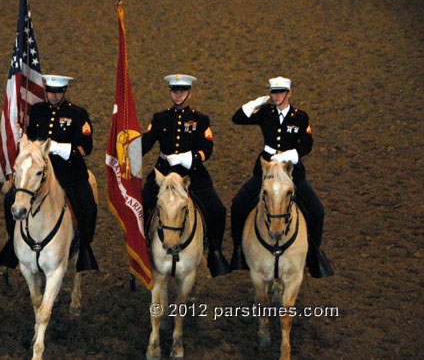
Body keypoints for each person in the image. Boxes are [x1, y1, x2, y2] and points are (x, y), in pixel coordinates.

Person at [229, 76, 333, 278]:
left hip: (291, 172)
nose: (276, 97)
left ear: (289, 94)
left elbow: (307, 144)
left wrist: (289, 155)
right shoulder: (265, 112)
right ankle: (239, 251)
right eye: (273, 93)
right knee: (238, 205)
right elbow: (237, 118)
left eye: (280, 93)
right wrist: (254, 104)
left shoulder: (300, 117)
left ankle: (313, 255)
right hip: (266, 170)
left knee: (317, 211)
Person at [0, 75, 99, 272]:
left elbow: (86, 147)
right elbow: (30, 137)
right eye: (50, 92)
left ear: (65, 92)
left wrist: (58, 148)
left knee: (88, 206)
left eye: (58, 92)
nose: (54, 96)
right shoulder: (38, 111)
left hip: (69, 174)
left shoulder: (78, 114)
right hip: (40, 173)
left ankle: (84, 248)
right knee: (10, 198)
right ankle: (14, 244)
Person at [141, 74, 231, 277]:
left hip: (193, 175)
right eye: (175, 91)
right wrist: (129, 153)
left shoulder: (200, 120)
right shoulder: (160, 118)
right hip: (163, 173)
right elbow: (146, 143)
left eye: (182, 91)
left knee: (217, 209)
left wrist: (187, 158)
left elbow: (207, 149)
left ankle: (215, 252)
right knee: (140, 204)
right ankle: (142, 250)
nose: (178, 95)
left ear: (190, 93)